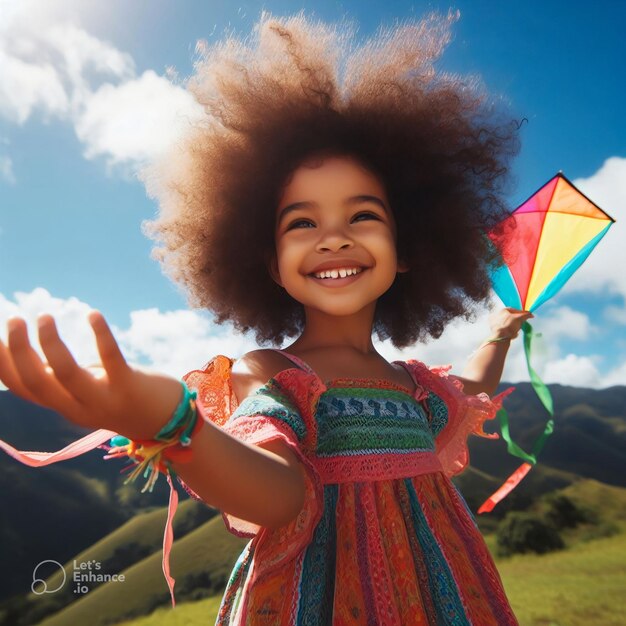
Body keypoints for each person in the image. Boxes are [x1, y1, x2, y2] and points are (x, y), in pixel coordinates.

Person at [0, 11, 532, 625]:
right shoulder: (274, 375)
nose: (333, 239)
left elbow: (470, 392)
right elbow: (280, 494)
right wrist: (174, 426)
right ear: (272, 265)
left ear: (409, 247)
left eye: (362, 216)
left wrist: (497, 333)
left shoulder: (416, 388)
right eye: (302, 223)